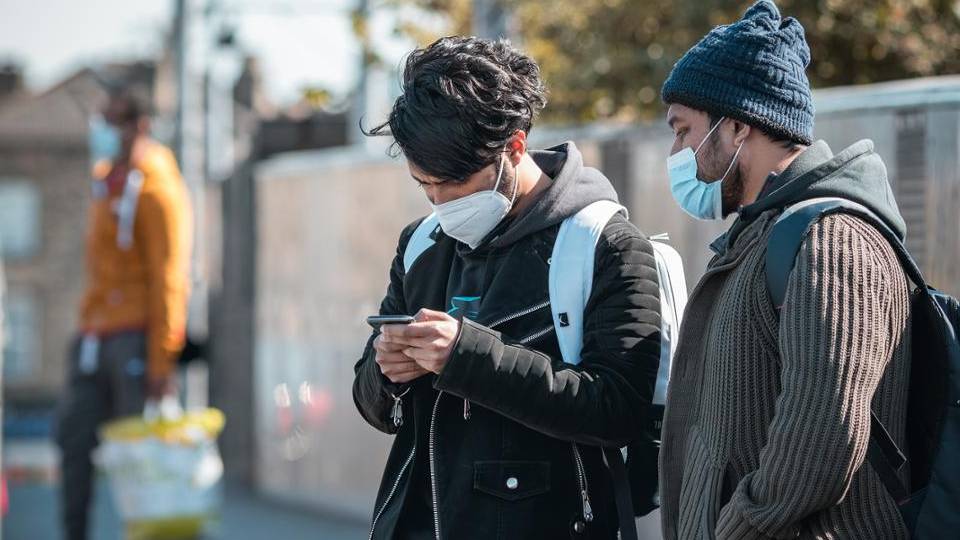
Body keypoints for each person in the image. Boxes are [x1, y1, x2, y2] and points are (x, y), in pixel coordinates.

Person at [354, 36, 662, 539]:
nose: (439, 201)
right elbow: (375, 404)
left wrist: (468, 357)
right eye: (423, 184)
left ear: (514, 147)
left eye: (454, 183)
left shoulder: (605, 245)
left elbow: (617, 411)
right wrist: (385, 373)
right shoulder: (421, 245)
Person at [657, 1, 912, 538]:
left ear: (738, 125)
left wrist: (735, 528)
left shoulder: (832, 240)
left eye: (683, 131)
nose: (677, 151)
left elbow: (823, 437)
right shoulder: (760, 236)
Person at [56, 87, 192, 540]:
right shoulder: (104, 179)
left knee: (144, 465)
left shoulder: (156, 187)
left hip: (136, 337)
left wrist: (162, 361)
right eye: (101, 119)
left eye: (112, 121)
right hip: (93, 336)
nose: (103, 130)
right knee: (73, 443)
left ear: (140, 126)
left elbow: (169, 276)